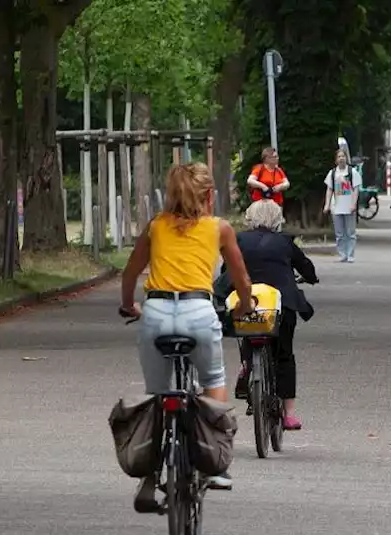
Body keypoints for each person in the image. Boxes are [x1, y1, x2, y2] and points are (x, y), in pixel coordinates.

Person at [119, 162, 254, 509]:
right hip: (197, 312)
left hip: (157, 313)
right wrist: (242, 308)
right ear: (209, 195)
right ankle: (216, 465)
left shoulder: (155, 227)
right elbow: (241, 279)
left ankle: (149, 483)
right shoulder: (219, 229)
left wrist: (129, 306)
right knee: (213, 377)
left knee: (159, 396)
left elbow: (131, 272)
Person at [215, 199, 319, 431]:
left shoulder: (239, 240)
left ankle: (247, 364)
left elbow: (226, 273)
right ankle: (289, 414)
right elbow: (306, 268)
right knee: (284, 355)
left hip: (248, 302)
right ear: (277, 219)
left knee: (247, 330)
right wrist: (310, 277)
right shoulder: (285, 242)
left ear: (250, 218)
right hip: (280, 304)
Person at [323, 149, 362, 262]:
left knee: (350, 232)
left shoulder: (352, 172)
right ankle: (342, 254)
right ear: (336, 160)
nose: (341, 159)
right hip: (336, 206)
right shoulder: (332, 173)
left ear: (346, 158)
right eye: (339, 157)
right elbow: (329, 190)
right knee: (339, 233)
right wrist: (327, 204)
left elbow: (355, 189)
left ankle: (350, 254)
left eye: (343, 156)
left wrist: (353, 204)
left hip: (349, 205)